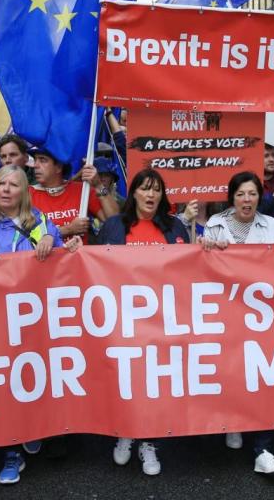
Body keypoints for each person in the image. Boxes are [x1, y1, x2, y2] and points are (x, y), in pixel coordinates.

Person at [0, 165, 80, 484]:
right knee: (3, 387)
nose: (6, 189)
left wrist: (67, 247)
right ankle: (11, 452)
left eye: (13, 184)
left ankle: (31, 428)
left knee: (31, 380)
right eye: (1, 184)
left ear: (24, 191)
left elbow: (63, 266)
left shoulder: (40, 223)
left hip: (30, 320)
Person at [93, 169, 190, 475]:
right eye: (145, 189)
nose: (150, 195)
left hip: (161, 319)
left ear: (162, 196)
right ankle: (125, 432)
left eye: (156, 190)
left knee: (154, 383)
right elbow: (93, 266)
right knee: (125, 379)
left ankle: (149, 441)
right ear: (132, 192)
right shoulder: (113, 226)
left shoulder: (174, 226)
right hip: (122, 318)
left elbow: (188, 269)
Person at [200, 171, 274, 475]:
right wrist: (207, 250)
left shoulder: (270, 224)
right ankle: (233, 422)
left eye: (251, 194)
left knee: (262, 374)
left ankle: (263, 448)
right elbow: (203, 270)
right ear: (231, 197)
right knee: (232, 370)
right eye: (240, 194)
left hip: (261, 314)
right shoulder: (215, 225)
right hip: (225, 312)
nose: (246, 200)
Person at [27, 146, 119, 242]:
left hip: (80, 257)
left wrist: (99, 185)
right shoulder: (27, 194)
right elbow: (24, 236)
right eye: (35, 160)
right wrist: (69, 229)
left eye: (42, 160)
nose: (35, 165)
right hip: (44, 257)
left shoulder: (82, 190)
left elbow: (114, 222)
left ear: (59, 167)